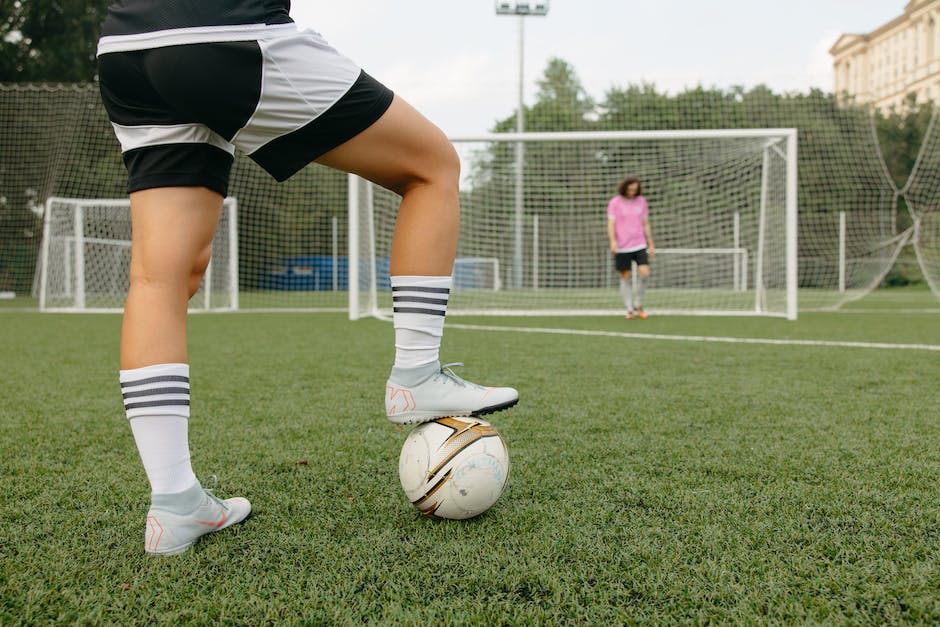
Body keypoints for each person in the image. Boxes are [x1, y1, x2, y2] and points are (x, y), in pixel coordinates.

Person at [97, 1, 518, 555]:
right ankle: (416, 374)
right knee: (432, 166)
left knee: (160, 279)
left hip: (126, 48)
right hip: (224, 31)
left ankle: (176, 505)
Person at [606, 176, 655, 319]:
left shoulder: (641, 202)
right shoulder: (615, 202)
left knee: (645, 273)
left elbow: (646, 223)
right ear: (624, 188)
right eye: (629, 189)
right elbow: (611, 223)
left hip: (639, 244)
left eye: (635, 190)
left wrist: (651, 243)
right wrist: (613, 241)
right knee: (625, 276)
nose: (632, 192)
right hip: (622, 246)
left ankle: (638, 304)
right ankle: (629, 309)